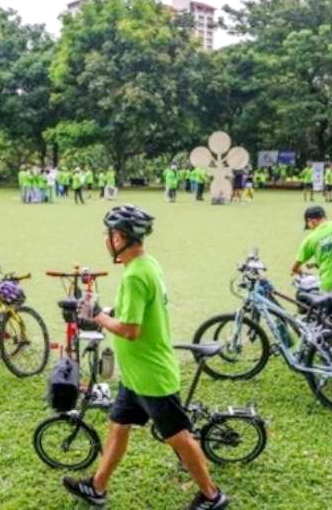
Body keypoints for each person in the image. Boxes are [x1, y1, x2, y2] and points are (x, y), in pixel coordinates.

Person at [64, 204, 228, 510]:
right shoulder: (146, 265)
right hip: (135, 375)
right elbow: (134, 312)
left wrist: (98, 316)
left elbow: (130, 330)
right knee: (118, 425)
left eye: (110, 233)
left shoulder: (135, 275)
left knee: (178, 436)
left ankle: (212, 495)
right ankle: (97, 488)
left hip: (152, 377)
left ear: (121, 238)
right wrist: (108, 311)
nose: (106, 239)